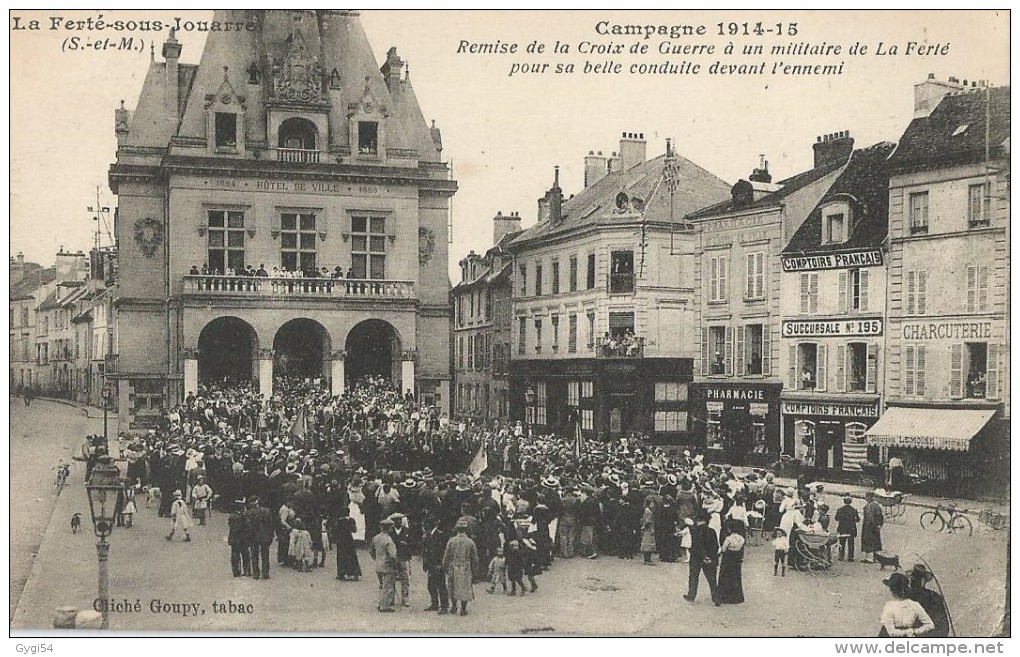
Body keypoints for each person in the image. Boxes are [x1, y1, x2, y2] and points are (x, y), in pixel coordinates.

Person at [879, 572, 935, 637]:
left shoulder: (889, 606)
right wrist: (915, 631)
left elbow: (891, 632)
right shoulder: (915, 605)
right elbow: (930, 625)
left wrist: (905, 632)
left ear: (892, 591)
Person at [443, 518, 479, 616]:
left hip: (453, 566)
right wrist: (476, 571)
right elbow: (475, 558)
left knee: (452, 586)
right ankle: (463, 608)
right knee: (465, 587)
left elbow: (446, 555)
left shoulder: (451, 541)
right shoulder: (470, 542)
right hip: (466, 567)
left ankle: (454, 606)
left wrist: (444, 566)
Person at [684, 510, 720, 606]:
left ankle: (691, 595)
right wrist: (710, 557)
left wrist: (703, 556)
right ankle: (716, 598)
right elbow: (716, 546)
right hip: (710, 557)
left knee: (693, 576)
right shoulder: (711, 531)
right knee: (712, 579)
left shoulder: (695, 531)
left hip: (697, 557)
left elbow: (697, 546)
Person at [908, 564, 951, 637]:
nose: (913, 583)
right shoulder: (934, 596)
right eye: (913, 580)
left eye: (915, 580)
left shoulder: (907, 598)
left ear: (922, 581)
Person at [369, 518, 399, 613]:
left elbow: (371, 551)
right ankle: (385, 605)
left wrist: (377, 558)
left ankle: (380, 602)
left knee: (382, 585)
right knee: (388, 585)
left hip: (378, 564)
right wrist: (395, 565)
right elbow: (393, 555)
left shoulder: (376, 538)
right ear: (389, 528)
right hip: (387, 566)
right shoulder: (388, 540)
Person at [421, 517, 450, 613]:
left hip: (437, 564)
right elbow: (426, 551)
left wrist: (440, 564)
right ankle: (435, 603)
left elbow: (441, 551)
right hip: (431, 564)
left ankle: (444, 606)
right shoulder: (428, 535)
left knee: (441, 585)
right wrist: (425, 563)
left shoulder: (440, 535)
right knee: (431, 586)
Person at [717, 519, 745, 604]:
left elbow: (723, 549)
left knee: (725, 576)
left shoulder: (729, 538)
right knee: (735, 577)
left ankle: (724, 597)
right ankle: (736, 597)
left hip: (728, 558)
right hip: (736, 558)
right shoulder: (741, 538)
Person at [246, 496, 275, 580]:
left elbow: (248, 527)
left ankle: (256, 573)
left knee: (254, 555)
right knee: (265, 555)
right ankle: (265, 573)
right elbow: (271, 525)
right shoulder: (267, 511)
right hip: (265, 536)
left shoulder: (248, 513)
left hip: (253, 537)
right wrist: (271, 535)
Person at [389, 513, 413, 608]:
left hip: (404, 557)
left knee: (405, 579)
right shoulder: (390, 532)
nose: (398, 522)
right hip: (394, 558)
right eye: (396, 520)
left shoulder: (406, 531)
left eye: (399, 520)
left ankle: (405, 598)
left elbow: (410, 544)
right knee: (391, 578)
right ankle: (391, 598)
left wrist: (408, 556)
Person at [333, 507, 362, 581]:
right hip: (349, 539)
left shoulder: (339, 521)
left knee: (341, 556)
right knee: (352, 555)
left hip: (341, 540)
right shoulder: (351, 520)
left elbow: (336, 531)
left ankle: (341, 573)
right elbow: (355, 530)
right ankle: (355, 572)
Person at [228, 500, 252, 577]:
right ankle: (247, 571)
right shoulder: (244, 516)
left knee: (235, 556)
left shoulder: (232, 516)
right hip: (243, 539)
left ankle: (236, 572)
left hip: (234, 539)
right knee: (245, 555)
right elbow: (248, 527)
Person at [860, 492, 884, 564]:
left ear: (869, 497)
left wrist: (868, 526)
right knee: (875, 540)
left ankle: (869, 558)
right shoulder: (877, 505)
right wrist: (879, 524)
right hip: (876, 526)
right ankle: (875, 557)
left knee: (868, 540)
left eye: (866, 497)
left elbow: (869, 518)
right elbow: (880, 516)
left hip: (869, 526)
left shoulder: (868, 506)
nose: (865, 498)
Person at [835, 496, 860, 562]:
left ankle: (841, 556)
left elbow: (836, 518)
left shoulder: (840, 509)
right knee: (851, 543)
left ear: (844, 501)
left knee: (842, 543)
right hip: (851, 529)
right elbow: (858, 520)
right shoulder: (854, 510)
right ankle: (850, 557)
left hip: (842, 528)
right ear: (851, 502)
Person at [640, 496, 657, 565]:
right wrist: (651, 529)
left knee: (646, 544)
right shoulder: (649, 511)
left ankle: (647, 559)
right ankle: (647, 560)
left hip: (646, 529)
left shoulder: (646, 510)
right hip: (648, 529)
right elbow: (648, 521)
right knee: (648, 544)